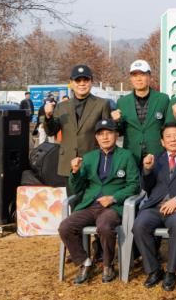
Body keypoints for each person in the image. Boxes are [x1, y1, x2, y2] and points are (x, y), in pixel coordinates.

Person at [57, 119, 140, 284]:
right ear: (96, 138)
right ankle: (84, 262)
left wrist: (113, 198)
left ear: (116, 135)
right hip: (90, 205)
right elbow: (77, 188)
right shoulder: (89, 158)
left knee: (105, 226)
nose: (105, 137)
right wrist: (75, 172)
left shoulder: (126, 156)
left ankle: (108, 265)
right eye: (101, 134)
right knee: (65, 227)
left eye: (109, 133)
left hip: (112, 207)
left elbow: (134, 185)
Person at [132, 123, 176, 291]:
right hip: (155, 207)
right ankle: (154, 270)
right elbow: (146, 187)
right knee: (139, 225)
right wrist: (147, 170)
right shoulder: (156, 159)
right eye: (168, 136)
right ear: (162, 142)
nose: (173, 139)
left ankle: (171, 272)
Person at [45, 65, 111, 176]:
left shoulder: (102, 104)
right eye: (78, 80)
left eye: (86, 80)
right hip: (68, 163)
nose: (82, 84)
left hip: (93, 162)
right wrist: (48, 117)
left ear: (91, 82)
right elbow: (51, 131)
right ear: (71, 83)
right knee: (70, 188)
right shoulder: (62, 106)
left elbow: (108, 133)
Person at [111, 60, 170, 163]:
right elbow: (120, 132)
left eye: (142, 74)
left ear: (149, 76)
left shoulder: (163, 99)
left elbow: (168, 127)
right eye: (134, 75)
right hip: (132, 154)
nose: (138, 79)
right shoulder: (122, 102)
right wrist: (116, 121)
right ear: (131, 78)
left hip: (157, 154)